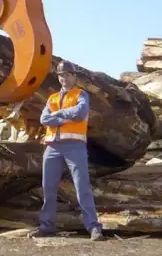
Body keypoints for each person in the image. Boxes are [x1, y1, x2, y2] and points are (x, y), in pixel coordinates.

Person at [33, 60, 103, 241]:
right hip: (52, 147)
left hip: (75, 146)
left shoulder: (81, 95)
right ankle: (46, 226)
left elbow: (80, 113)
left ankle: (94, 227)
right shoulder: (52, 98)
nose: (64, 78)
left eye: (67, 75)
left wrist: (58, 114)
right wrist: (63, 117)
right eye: (61, 75)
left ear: (74, 76)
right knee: (48, 187)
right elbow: (44, 119)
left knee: (82, 187)